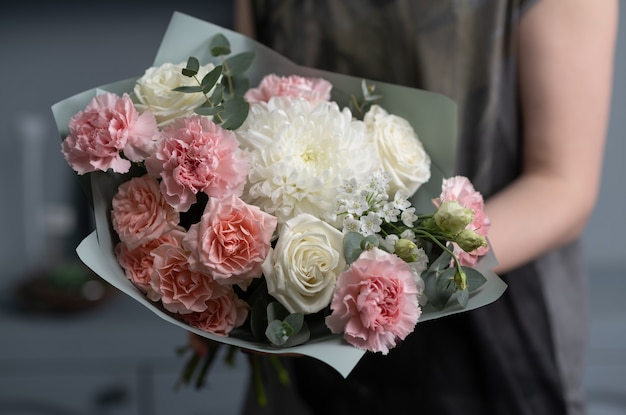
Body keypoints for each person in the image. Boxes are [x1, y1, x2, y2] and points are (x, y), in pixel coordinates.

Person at [189, 1, 618, 414]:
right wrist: (219, 283)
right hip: (302, 344)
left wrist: (379, 286)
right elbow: (251, 121)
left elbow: (562, 185)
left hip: (487, 344)